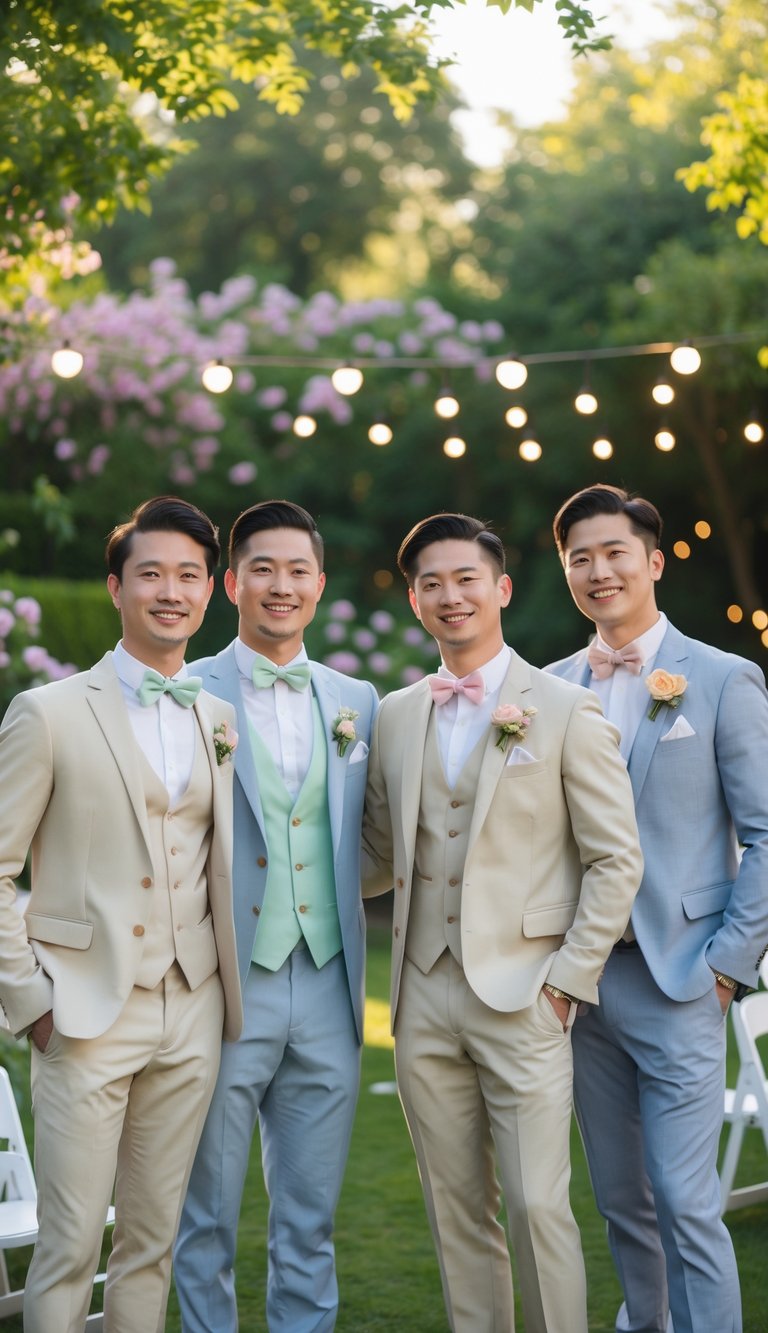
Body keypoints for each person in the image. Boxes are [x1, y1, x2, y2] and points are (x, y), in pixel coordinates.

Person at [361, 511, 643, 1333]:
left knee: (535, 1202)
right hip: (419, 996)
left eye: (466, 579)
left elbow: (616, 859)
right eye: (432, 583)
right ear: (414, 599)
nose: (451, 596)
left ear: (502, 589)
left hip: (527, 995)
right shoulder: (396, 714)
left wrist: (567, 980)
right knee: (455, 1212)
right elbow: (379, 853)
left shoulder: (563, 708)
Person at [0, 495, 242, 1333]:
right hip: (81, 1010)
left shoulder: (219, 718)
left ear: (210, 589)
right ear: (116, 587)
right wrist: (29, 999)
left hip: (193, 1007)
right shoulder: (50, 712)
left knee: (152, 1240)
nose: (169, 590)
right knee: (68, 1244)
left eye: (187, 574)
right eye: (151, 574)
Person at [546, 482, 768, 1333]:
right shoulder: (552, 687)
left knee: (686, 1196)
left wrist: (724, 968)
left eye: (614, 553)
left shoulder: (722, 676)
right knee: (620, 1198)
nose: (599, 571)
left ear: (653, 560)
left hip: (683, 977)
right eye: (580, 558)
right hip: (584, 982)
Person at [174, 499, 379, 1333]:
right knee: (206, 1218)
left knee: (309, 1219)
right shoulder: (185, 691)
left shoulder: (358, 699)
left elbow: (377, 833)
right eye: (263, 567)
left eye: (298, 569)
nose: (281, 584)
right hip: (224, 988)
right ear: (231, 582)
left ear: (321, 584)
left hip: (331, 991)